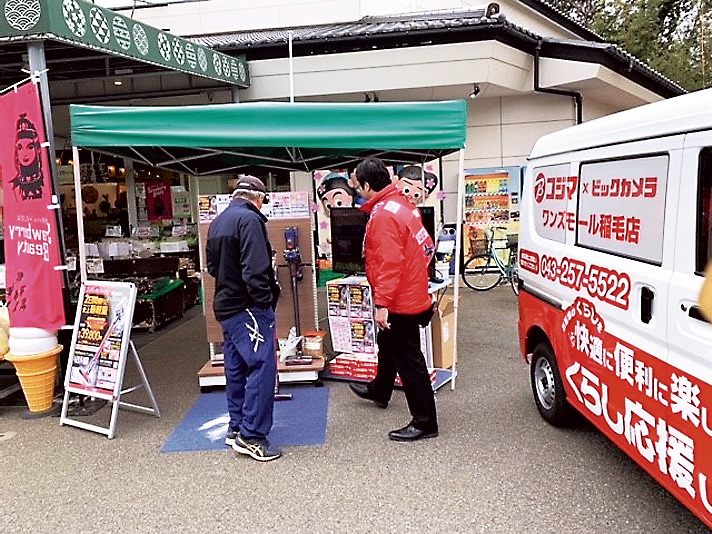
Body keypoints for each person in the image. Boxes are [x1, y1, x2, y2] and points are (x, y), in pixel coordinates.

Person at [348, 157, 438, 441]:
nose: (356, 190)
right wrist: (415, 280)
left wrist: (383, 304)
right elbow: (427, 247)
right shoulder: (402, 204)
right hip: (411, 292)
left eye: (357, 185)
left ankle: (425, 421)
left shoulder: (383, 215)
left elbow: (387, 263)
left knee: (410, 360)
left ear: (367, 185)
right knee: (387, 343)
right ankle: (380, 389)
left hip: (400, 300)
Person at [206, 175, 282, 461]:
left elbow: (212, 267)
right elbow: (256, 269)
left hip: (226, 306)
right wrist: (265, 301)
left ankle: (236, 426)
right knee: (262, 367)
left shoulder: (218, 222)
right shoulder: (250, 221)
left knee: (236, 369)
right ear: (258, 197)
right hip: (249, 307)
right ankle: (252, 436)